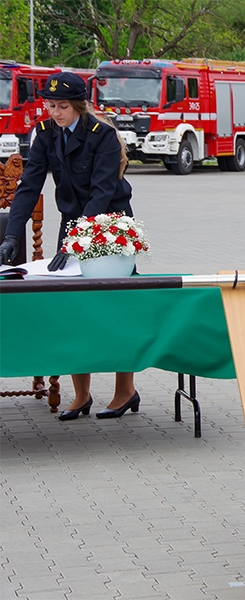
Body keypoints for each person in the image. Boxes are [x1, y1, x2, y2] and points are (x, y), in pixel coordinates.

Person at [0, 72, 142, 422]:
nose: (55, 112)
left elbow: (102, 191)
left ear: (79, 105)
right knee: (74, 305)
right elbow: (30, 186)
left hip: (109, 225)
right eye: (50, 105)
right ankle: (81, 395)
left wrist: (76, 238)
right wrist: (11, 235)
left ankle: (125, 390)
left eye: (62, 106)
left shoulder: (103, 135)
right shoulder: (46, 135)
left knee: (115, 309)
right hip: (74, 224)